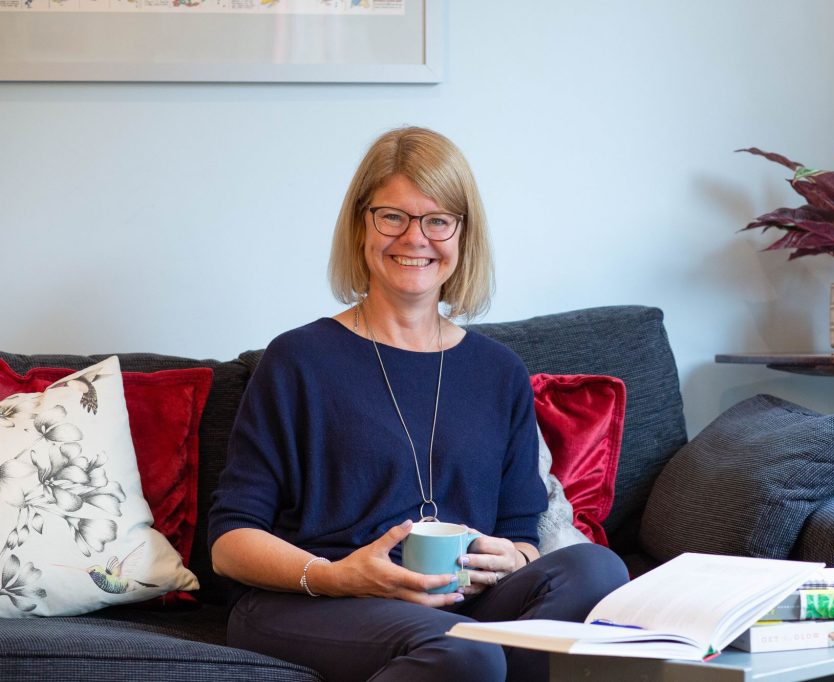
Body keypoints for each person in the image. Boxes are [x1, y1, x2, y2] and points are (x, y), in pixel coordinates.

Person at [208, 126, 629, 682]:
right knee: (467, 652)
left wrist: (515, 559)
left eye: (437, 220)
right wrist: (340, 575)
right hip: (316, 598)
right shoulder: (298, 360)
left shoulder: (498, 371)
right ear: (362, 225)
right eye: (393, 216)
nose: (415, 238)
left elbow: (521, 531)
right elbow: (230, 542)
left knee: (597, 568)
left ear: (462, 234)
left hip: (456, 604)